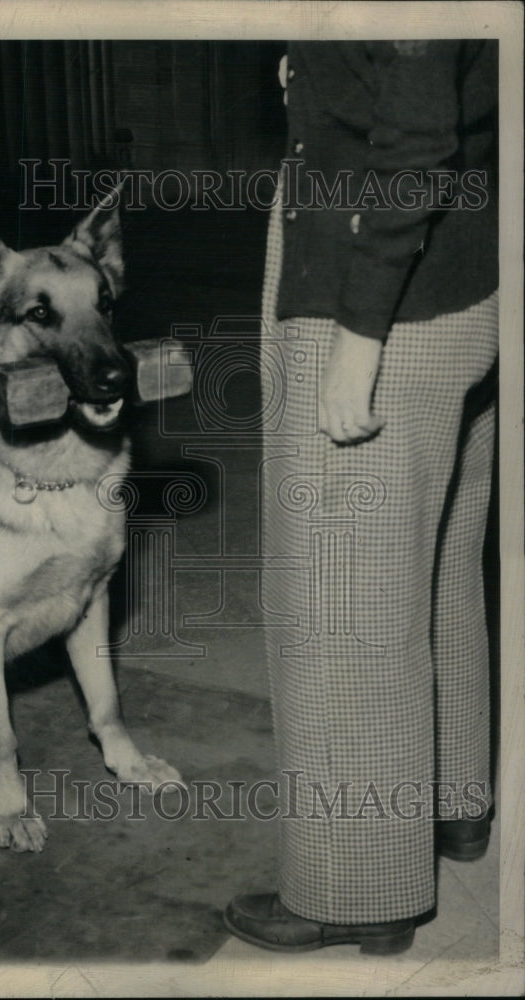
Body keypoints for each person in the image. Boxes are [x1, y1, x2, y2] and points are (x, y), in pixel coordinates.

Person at [224, 40, 498, 954]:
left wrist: (358, 334)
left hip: (382, 291)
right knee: (438, 565)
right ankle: (452, 807)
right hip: (469, 272)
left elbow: (415, 143)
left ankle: (360, 886)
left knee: (343, 606)